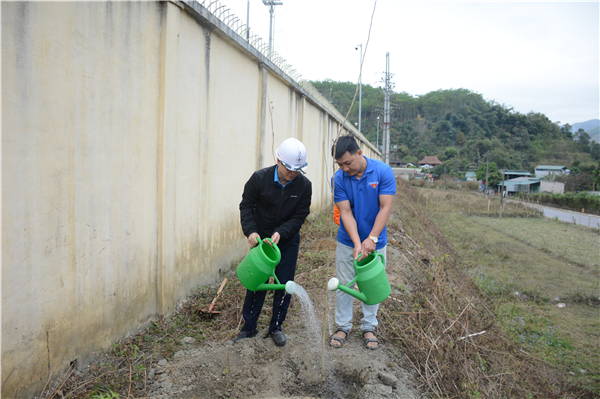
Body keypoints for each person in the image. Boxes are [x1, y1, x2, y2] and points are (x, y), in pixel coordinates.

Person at [233, 138, 312, 347]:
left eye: (298, 169)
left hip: (286, 240)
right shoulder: (259, 179)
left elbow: (300, 215)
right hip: (261, 242)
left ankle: (276, 326)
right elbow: (246, 207)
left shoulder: (304, 186)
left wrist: (282, 232)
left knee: (285, 284)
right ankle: (249, 327)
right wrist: (251, 232)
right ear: (278, 160)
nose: (293, 173)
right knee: (257, 283)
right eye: (289, 168)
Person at [329, 135, 396, 350]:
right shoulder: (338, 179)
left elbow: (385, 207)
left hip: (377, 240)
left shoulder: (382, 172)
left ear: (359, 153)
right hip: (348, 241)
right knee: (345, 283)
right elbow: (345, 213)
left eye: (347, 163)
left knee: (372, 283)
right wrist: (358, 243)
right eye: (340, 164)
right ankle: (342, 326)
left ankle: (369, 326)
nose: (345, 168)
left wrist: (372, 239)